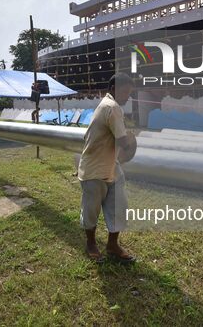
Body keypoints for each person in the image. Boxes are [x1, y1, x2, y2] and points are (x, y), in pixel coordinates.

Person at [78, 73, 136, 263]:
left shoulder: (108, 105)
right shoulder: (111, 107)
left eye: (129, 92)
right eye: (125, 91)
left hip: (111, 164)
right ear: (113, 89)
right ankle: (91, 244)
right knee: (91, 209)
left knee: (119, 204)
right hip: (95, 168)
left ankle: (112, 245)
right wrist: (132, 141)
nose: (128, 96)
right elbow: (123, 141)